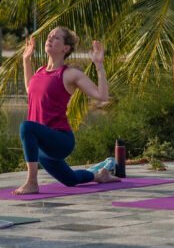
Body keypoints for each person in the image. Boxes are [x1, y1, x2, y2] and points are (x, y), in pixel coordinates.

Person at [12, 27, 119, 195]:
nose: (50, 39)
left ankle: (32, 182)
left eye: (55, 38)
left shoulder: (69, 74)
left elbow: (102, 96)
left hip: (60, 140)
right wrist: (26, 60)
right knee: (70, 180)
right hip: (42, 147)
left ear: (65, 48)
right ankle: (100, 176)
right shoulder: (40, 71)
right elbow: (30, 89)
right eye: (49, 36)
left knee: (26, 127)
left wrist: (99, 65)